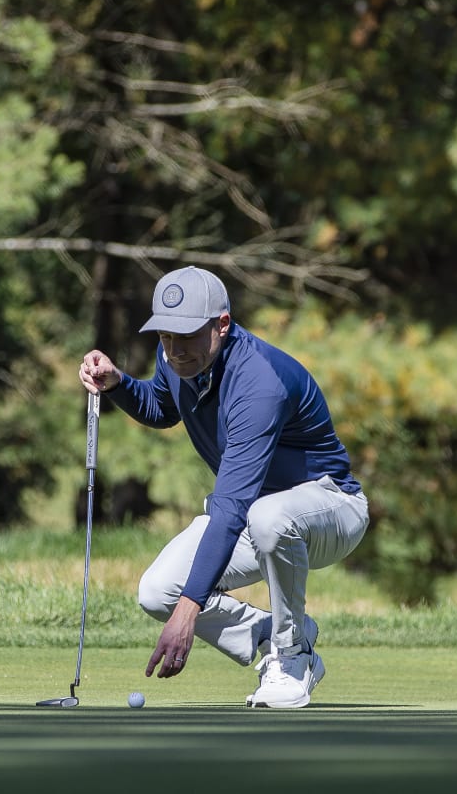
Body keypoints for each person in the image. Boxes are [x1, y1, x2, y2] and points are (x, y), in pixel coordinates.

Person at [78, 266, 369, 708]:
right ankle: (275, 632)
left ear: (222, 324)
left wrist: (189, 612)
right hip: (258, 515)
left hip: (330, 509)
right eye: (165, 337)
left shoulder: (259, 382)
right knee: (158, 591)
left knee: (265, 517)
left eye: (188, 336)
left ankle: (292, 658)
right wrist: (119, 384)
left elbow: (232, 507)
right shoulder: (177, 358)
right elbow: (161, 407)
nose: (175, 350)